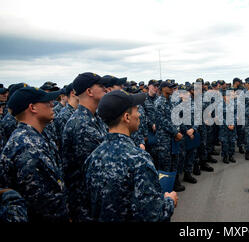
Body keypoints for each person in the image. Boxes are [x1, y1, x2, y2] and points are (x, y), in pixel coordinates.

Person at [83, 90, 177, 222]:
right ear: (127, 117)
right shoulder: (138, 159)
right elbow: (153, 216)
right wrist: (170, 201)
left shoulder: (92, 157)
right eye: (136, 110)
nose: (139, 115)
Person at [0, 87, 70, 222]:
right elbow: (43, 204)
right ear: (32, 108)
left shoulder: (33, 138)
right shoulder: (28, 147)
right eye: (46, 102)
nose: (52, 105)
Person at [61, 72, 108, 221]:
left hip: (93, 198)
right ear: (89, 92)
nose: (105, 89)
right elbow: (98, 168)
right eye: (101, 86)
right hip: (86, 203)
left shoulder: (94, 118)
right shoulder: (81, 124)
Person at [154, 81, 186, 192]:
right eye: (170, 87)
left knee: (174, 162)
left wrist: (178, 132)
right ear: (163, 89)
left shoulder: (171, 102)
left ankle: (173, 185)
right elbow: (162, 121)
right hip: (164, 139)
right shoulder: (159, 103)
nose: (172, 89)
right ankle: (164, 189)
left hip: (174, 138)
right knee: (165, 165)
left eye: (173, 87)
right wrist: (175, 132)